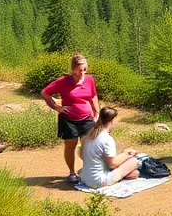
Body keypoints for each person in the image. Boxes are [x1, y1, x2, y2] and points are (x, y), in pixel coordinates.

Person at [41, 53, 101, 184]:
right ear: (73, 69)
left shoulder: (90, 79)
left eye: (85, 69)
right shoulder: (63, 81)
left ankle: (88, 169)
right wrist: (56, 107)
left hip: (87, 118)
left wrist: (97, 112)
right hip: (68, 119)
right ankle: (72, 173)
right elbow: (45, 93)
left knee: (89, 145)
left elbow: (93, 96)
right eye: (80, 70)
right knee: (70, 145)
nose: (83, 73)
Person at [77, 107, 140, 189]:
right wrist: (126, 154)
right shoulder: (106, 138)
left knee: (134, 172)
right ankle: (123, 175)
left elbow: (82, 155)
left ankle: (125, 174)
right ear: (111, 121)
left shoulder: (88, 134)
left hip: (86, 178)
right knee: (133, 161)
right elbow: (112, 164)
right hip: (99, 181)